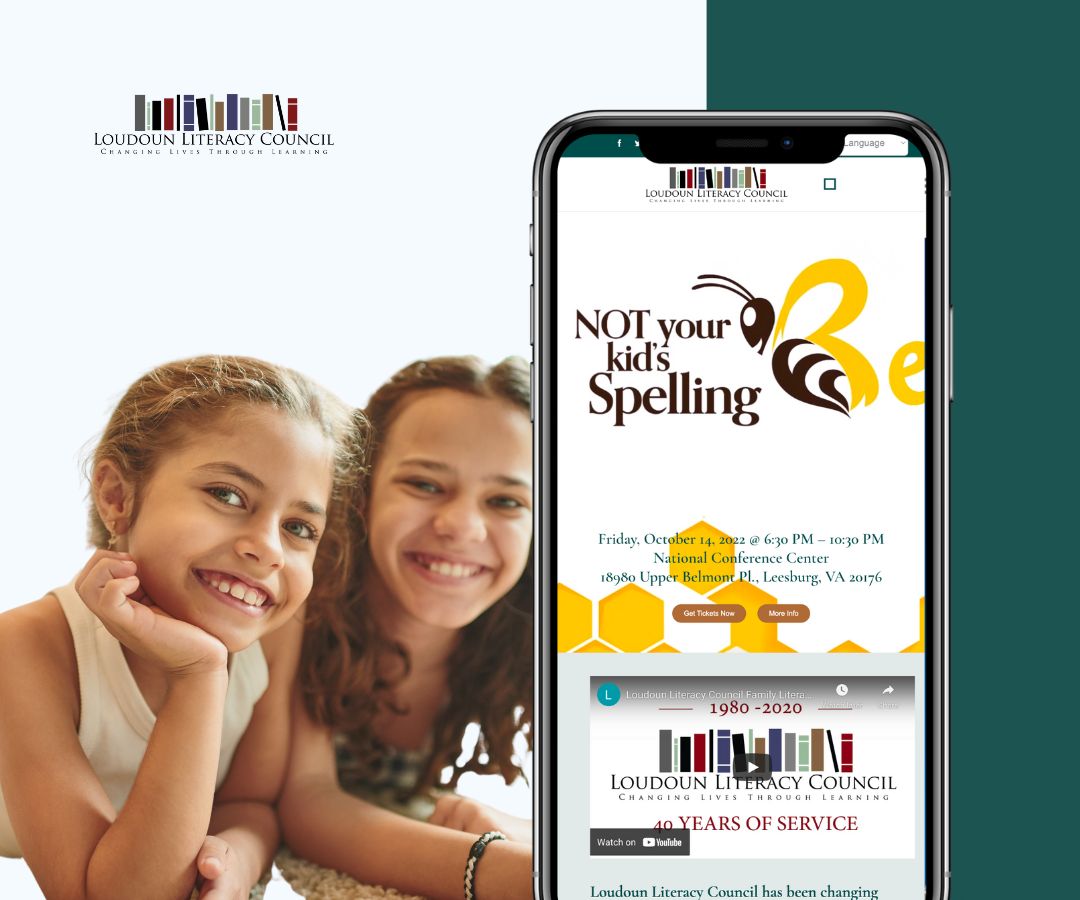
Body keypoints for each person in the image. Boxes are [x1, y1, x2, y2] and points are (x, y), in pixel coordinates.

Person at [0, 356, 361, 900]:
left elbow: (249, 804)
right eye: (228, 495)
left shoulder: (276, 640)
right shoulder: (26, 645)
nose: (268, 549)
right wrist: (199, 673)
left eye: (298, 527)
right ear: (117, 496)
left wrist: (237, 860)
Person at [281, 356, 533, 900]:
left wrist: (524, 833)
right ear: (361, 493)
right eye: (424, 484)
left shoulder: (534, 635)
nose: (462, 526)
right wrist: (517, 872)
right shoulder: (300, 601)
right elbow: (308, 805)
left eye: (506, 501)